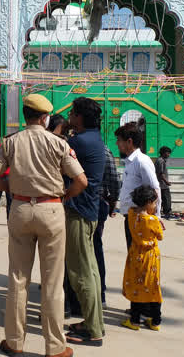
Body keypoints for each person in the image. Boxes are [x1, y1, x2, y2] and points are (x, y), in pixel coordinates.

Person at [0, 94, 87, 357]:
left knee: (17, 278)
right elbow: (81, 181)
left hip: (20, 208)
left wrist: (9, 187)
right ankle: (54, 346)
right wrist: (64, 196)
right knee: (52, 281)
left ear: (24, 115)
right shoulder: (58, 143)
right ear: (44, 118)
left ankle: (14, 341)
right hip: (51, 209)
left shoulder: (10, 143)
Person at [63, 97, 106, 347]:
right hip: (89, 211)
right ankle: (94, 322)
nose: (69, 115)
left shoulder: (78, 141)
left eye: (72, 112)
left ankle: (93, 331)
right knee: (90, 269)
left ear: (79, 117)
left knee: (80, 272)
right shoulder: (94, 138)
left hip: (78, 211)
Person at [121, 185, 163, 331]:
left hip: (135, 255)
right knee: (153, 285)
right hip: (150, 257)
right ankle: (155, 321)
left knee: (136, 285)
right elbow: (160, 236)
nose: (155, 206)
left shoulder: (131, 213)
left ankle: (135, 320)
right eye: (154, 203)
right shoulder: (152, 220)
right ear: (148, 203)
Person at [115, 122, 161, 249]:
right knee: (133, 257)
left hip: (140, 219)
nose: (117, 144)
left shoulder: (142, 161)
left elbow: (155, 189)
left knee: (139, 258)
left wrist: (156, 216)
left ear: (129, 142)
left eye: (119, 140)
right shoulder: (130, 162)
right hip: (131, 217)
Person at [96, 145, 121, 306]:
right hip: (99, 202)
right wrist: (112, 205)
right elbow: (114, 182)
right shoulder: (104, 150)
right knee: (96, 249)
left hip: (79, 203)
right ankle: (99, 295)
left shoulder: (72, 145)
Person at [155, 147, 173, 219]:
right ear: (163, 153)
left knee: (162, 199)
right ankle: (167, 213)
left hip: (161, 184)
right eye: (168, 153)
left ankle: (162, 212)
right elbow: (161, 174)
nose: (169, 155)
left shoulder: (160, 160)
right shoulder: (161, 161)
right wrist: (167, 182)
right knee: (166, 199)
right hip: (162, 184)